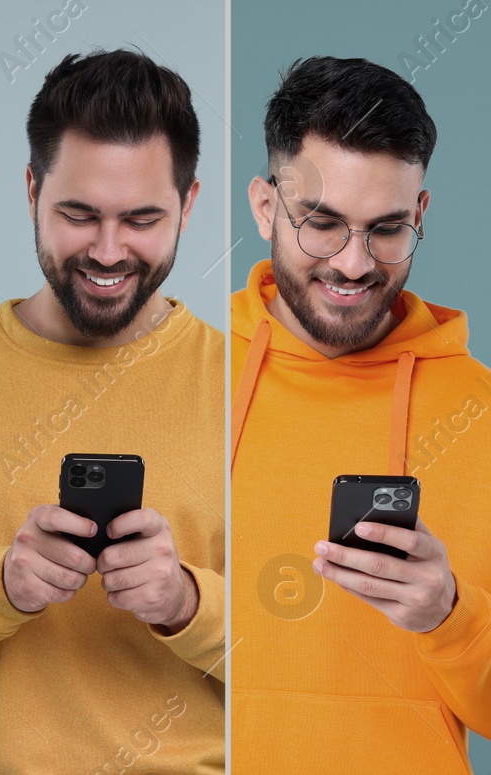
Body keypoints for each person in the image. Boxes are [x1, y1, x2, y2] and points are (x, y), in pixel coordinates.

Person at [0, 50, 225, 773]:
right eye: (78, 215)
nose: (108, 252)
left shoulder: (243, 386)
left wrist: (186, 602)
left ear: (189, 204)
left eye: (142, 219)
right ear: (31, 191)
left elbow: (308, 660)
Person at [231, 56, 491, 772]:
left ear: (422, 214)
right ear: (264, 207)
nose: (353, 264)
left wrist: (451, 615)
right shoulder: (177, 370)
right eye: (321, 223)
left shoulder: (482, 414)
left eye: (386, 228)